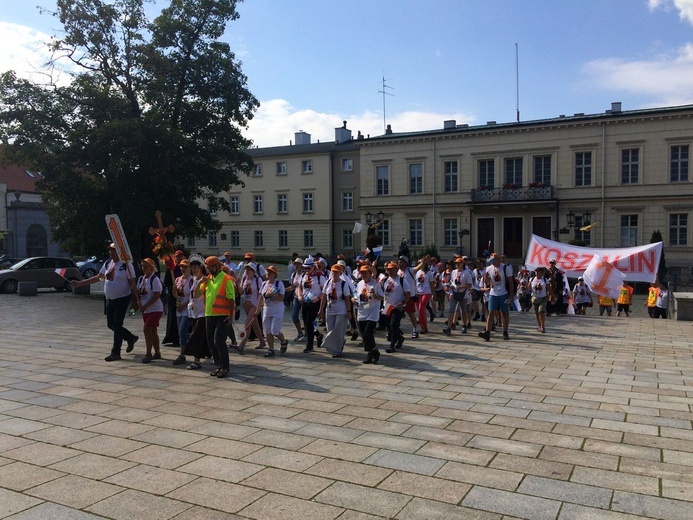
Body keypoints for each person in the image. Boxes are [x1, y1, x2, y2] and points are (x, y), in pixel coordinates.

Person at [71, 243, 139, 362]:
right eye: (110, 250)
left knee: (117, 325)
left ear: (119, 252)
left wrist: (135, 299)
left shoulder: (126, 265)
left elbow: (132, 283)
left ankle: (115, 352)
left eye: (113, 250)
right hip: (110, 298)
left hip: (122, 298)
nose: (110, 253)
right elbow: (99, 277)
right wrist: (81, 283)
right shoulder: (108, 263)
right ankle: (130, 337)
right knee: (110, 324)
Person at [196, 255, 236, 378]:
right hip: (209, 315)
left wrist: (230, 315)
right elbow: (196, 295)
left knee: (218, 341)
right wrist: (199, 283)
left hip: (222, 315)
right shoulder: (207, 280)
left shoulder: (226, 279)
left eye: (210, 267)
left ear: (217, 266)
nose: (208, 270)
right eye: (207, 267)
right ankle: (219, 365)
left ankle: (225, 367)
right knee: (211, 343)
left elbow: (231, 298)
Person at [182, 255, 211, 370]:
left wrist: (200, 284)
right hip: (193, 312)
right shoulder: (193, 280)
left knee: (196, 336)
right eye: (192, 267)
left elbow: (196, 295)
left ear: (201, 267)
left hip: (203, 312)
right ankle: (208, 355)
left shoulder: (205, 280)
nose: (194, 270)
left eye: (196, 267)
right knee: (201, 337)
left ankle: (196, 360)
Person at [319, 264, 354, 358]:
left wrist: (348, 311)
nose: (334, 274)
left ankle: (337, 349)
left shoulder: (343, 284)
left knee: (338, 331)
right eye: (333, 271)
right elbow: (324, 297)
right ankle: (338, 343)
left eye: (336, 272)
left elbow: (347, 299)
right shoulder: (327, 283)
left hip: (341, 310)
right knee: (330, 330)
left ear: (340, 273)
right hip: (330, 310)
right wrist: (321, 309)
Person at [478, 253, 513, 341]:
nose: (493, 262)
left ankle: (505, 331)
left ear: (498, 260)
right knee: (491, 312)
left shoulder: (505, 268)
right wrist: (486, 277)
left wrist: (511, 295)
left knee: (504, 313)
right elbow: (486, 283)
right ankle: (487, 332)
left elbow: (511, 282)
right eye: (492, 260)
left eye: (494, 260)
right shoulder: (489, 268)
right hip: (493, 293)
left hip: (503, 293)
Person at [354, 264, 384, 364]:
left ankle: (370, 353)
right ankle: (373, 351)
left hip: (373, 311)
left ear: (370, 274)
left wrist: (375, 295)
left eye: (366, 273)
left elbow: (382, 298)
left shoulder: (376, 284)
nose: (364, 275)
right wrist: (353, 299)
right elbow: (355, 295)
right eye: (362, 273)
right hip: (362, 310)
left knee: (368, 332)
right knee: (364, 334)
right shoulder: (359, 284)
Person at [257, 266, 289, 357]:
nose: (268, 273)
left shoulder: (279, 284)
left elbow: (281, 297)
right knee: (267, 330)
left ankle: (283, 341)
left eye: (270, 272)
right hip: (267, 309)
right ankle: (271, 349)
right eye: (267, 272)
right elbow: (261, 298)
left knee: (275, 330)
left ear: (275, 274)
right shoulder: (264, 284)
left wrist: (272, 295)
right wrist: (257, 309)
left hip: (277, 309)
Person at [137, 258, 164, 363]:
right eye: (142, 266)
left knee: (147, 329)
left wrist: (146, 305)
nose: (144, 268)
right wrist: (139, 302)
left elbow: (157, 295)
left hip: (155, 309)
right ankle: (157, 352)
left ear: (151, 268)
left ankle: (148, 353)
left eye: (146, 266)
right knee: (153, 331)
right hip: (146, 310)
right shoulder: (141, 279)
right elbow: (139, 293)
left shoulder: (154, 279)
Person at [296, 257, 325, 353]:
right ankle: (318, 335)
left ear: (313, 267)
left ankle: (309, 345)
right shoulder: (303, 275)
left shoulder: (320, 276)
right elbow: (300, 287)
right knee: (308, 323)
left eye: (309, 268)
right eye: (305, 268)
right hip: (305, 301)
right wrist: (299, 296)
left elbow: (324, 291)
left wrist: (319, 298)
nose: (307, 270)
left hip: (315, 302)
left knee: (309, 322)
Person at [235, 263, 266, 353]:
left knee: (247, 325)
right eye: (246, 269)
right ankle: (262, 342)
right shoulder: (244, 279)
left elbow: (262, 293)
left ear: (253, 271)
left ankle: (242, 345)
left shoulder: (258, 280)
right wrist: (237, 284)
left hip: (254, 305)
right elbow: (241, 292)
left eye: (249, 269)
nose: (247, 271)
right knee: (254, 324)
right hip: (246, 304)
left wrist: (259, 307)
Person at [383, 261, 411, 354]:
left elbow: (408, 295)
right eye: (388, 270)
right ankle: (400, 338)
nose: (389, 271)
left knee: (393, 324)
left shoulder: (402, 281)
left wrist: (402, 302)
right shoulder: (386, 280)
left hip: (398, 307)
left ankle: (392, 345)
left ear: (396, 269)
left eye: (391, 269)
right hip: (387, 306)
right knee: (388, 325)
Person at [443, 256, 472, 335]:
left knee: (463, 311)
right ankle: (449, 327)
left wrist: (461, 287)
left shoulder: (466, 273)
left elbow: (469, 285)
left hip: (463, 294)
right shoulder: (453, 272)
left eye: (458, 263)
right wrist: (451, 286)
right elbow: (452, 281)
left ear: (462, 264)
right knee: (451, 310)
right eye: (456, 263)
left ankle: (464, 325)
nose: (457, 265)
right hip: (454, 293)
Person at [162, 250, 184, 347]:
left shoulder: (185, 267)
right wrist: (173, 288)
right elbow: (167, 281)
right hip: (173, 295)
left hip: (183, 296)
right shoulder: (172, 268)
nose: (179, 258)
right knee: (173, 317)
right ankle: (173, 338)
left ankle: (183, 337)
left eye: (180, 256)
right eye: (177, 257)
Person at [172, 259, 192, 365]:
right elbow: (177, 295)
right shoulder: (178, 279)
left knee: (182, 330)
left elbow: (192, 297)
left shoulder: (191, 280)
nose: (183, 269)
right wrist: (174, 292)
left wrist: (183, 306)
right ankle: (194, 341)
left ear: (189, 268)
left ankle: (182, 354)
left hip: (187, 309)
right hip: (179, 308)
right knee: (182, 333)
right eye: (181, 267)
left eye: (185, 267)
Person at [397, 255, 419, 338]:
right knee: (396, 315)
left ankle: (415, 330)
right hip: (399, 297)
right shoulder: (397, 272)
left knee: (411, 314)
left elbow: (417, 268)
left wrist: (423, 262)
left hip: (409, 297)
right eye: (398, 262)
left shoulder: (410, 270)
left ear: (406, 263)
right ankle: (395, 329)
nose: (399, 264)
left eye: (401, 262)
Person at [414, 259, 435, 333]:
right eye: (419, 263)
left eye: (421, 263)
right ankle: (421, 323)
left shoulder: (429, 273)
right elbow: (415, 283)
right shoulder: (417, 272)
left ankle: (424, 327)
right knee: (419, 310)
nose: (420, 264)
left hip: (426, 292)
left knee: (421, 308)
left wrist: (433, 294)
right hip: (418, 292)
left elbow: (431, 285)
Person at [530, 266, 552, 332]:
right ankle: (539, 326)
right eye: (536, 271)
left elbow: (549, 289)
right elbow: (529, 287)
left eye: (538, 271)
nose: (537, 272)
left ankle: (542, 326)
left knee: (541, 311)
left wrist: (553, 296)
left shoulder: (545, 280)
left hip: (543, 298)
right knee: (536, 313)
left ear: (541, 273)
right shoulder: (532, 279)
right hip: (535, 298)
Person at [288, 257, 305, 341]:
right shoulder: (293, 275)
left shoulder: (305, 274)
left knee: (305, 316)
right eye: (295, 264)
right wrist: (284, 289)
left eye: (298, 264)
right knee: (294, 316)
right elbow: (292, 287)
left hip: (305, 297)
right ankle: (300, 332)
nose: (296, 265)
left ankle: (307, 334)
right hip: (296, 297)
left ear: (302, 265)